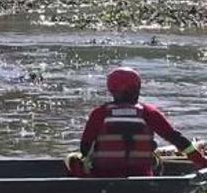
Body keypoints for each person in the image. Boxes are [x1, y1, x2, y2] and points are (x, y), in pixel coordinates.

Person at [66, 67, 207, 177]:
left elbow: (85, 147)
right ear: (137, 88)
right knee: (156, 161)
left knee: (72, 159)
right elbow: (178, 139)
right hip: (142, 175)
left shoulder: (99, 113)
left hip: (103, 176)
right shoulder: (149, 113)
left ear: (111, 90)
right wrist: (201, 161)